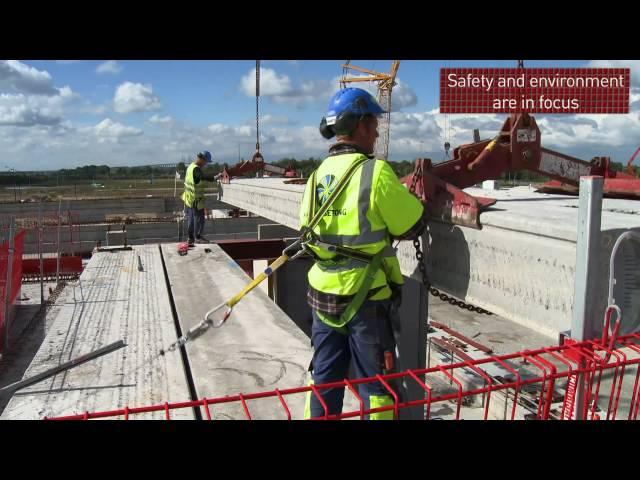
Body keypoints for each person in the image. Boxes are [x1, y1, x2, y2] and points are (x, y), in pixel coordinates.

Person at [299, 87, 427, 420]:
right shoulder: (375, 172)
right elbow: (411, 223)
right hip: (366, 300)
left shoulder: (315, 178)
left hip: (322, 296)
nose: (377, 133)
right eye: (374, 125)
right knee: (377, 387)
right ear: (359, 126)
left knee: (324, 381)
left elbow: (307, 233)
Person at [181, 150, 216, 246]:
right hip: (195, 200)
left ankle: (190, 238)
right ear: (201, 159)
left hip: (189, 199)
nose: (205, 164)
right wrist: (215, 177)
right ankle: (197, 237)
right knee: (199, 220)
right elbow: (202, 176)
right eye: (206, 162)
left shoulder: (190, 167)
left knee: (191, 219)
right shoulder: (196, 169)